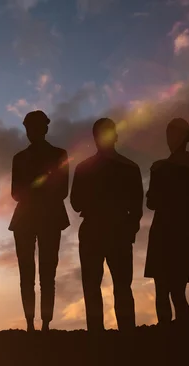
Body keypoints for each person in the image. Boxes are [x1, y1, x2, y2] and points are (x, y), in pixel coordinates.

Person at [70, 118, 143, 332]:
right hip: (114, 230)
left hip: (101, 230)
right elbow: (137, 207)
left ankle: (100, 335)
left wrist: (130, 228)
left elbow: (76, 203)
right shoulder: (129, 167)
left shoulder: (85, 168)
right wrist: (130, 228)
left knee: (100, 287)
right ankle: (124, 333)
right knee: (118, 287)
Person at [9, 111, 70, 333]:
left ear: (45, 128)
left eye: (35, 127)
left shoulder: (59, 154)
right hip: (28, 218)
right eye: (28, 128)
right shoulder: (20, 157)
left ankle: (44, 322)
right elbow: (16, 192)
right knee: (27, 272)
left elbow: (62, 189)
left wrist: (34, 193)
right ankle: (30, 323)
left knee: (47, 272)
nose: (31, 132)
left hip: (48, 217)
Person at [145, 118, 189, 324]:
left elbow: (151, 203)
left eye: (172, 134)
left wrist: (168, 201)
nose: (169, 139)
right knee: (175, 292)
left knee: (165, 291)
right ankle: (180, 337)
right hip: (181, 229)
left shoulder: (158, 168)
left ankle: (171, 337)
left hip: (164, 228)